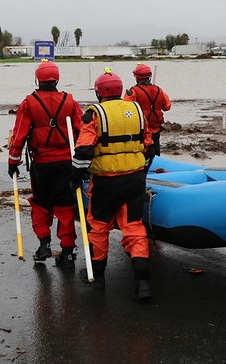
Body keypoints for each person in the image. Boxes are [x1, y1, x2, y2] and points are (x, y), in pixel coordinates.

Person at [70, 67, 155, 301]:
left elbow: (84, 149)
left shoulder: (93, 113)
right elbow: (149, 143)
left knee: (98, 226)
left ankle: (97, 278)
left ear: (99, 93)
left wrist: (75, 174)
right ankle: (143, 282)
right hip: (134, 178)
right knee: (134, 227)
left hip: (106, 182)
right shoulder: (136, 108)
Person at [8, 60, 83, 268]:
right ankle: (67, 251)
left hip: (41, 165)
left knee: (41, 204)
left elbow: (19, 135)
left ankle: (44, 244)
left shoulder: (28, 104)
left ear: (37, 79)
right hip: (67, 164)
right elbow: (81, 130)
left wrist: (13, 161)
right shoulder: (70, 102)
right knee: (66, 207)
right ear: (57, 78)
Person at [124, 63, 171, 169]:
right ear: (149, 76)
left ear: (137, 77)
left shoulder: (133, 91)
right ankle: (156, 171)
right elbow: (167, 106)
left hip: (141, 131)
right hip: (156, 130)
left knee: (142, 155)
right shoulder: (159, 90)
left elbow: (126, 109)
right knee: (156, 154)